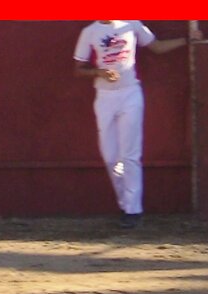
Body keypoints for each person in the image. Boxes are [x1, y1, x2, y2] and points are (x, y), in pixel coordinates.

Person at [74, 21, 201, 229]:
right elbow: (78, 69)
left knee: (130, 155)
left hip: (130, 93)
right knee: (110, 157)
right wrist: (99, 72)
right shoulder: (90, 32)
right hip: (105, 96)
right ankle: (126, 203)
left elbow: (157, 47)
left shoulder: (132, 25)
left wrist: (187, 40)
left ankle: (133, 210)